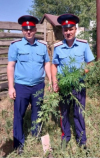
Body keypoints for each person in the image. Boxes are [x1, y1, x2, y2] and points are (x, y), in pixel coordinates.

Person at [7, 15, 52, 154]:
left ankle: (35, 136)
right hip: (22, 87)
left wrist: (50, 79)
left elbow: (47, 63)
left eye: (31, 29)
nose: (28, 32)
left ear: (35, 29)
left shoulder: (42, 46)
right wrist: (11, 86)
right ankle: (19, 143)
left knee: (37, 112)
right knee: (19, 115)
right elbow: (10, 66)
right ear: (22, 30)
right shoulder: (16, 46)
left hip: (38, 86)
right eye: (25, 29)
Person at [51, 13, 95, 149]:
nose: (68, 32)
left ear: (75, 29)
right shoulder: (57, 47)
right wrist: (54, 82)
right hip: (63, 86)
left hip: (78, 85)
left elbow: (91, 64)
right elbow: (54, 66)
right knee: (63, 114)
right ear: (62, 31)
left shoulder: (83, 45)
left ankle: (82, 142)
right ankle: (66, 138)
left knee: (79, 114)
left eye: (70, 29)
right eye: (65, 29)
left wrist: (80, 74)